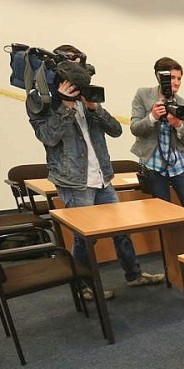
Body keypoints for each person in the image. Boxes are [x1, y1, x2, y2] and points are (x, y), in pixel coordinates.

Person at [27, 44, 164, 301]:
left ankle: (133, 275)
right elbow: (47, 136)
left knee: (120, 229)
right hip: (73, 180)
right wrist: (65, 106)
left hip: (102, 176)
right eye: (72, 66)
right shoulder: (41, 99)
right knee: (84, 237)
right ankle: (82, 286)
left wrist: (94, 108)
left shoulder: (88, 96)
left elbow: (116, 130)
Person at [130, 57, 184, 211]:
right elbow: (135, 128)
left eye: (179, 78)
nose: (177, 82)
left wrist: (178, 124)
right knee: (162, 210)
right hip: (154, 163)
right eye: (172, 77)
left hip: (178, 162)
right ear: (159, 77)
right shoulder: (143, 95)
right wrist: (152, 116)